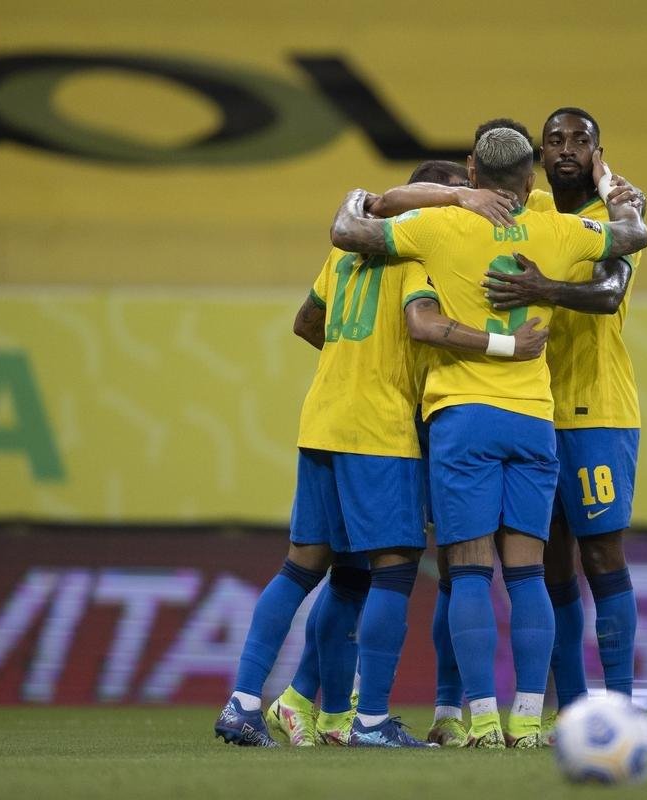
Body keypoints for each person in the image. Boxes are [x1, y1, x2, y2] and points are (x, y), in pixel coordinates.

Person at [330, 127, 647, 748]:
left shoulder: (438, 228)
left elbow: (352, 230)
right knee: (529, 575)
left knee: (469, 574)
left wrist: (361, 196)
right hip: (533, 416)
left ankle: (477, 719)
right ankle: (529, 721)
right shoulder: (555, 231)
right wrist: (613, 186)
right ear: (530, 181)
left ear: (473, 176)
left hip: (462, 415)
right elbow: (632, 235)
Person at [214, 161, 543, 748]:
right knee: (390, 573)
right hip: (379, 428)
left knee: (304, 569)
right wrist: (504, 345)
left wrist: (354, 356)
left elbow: (307, 322)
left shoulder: (343, 255)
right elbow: (422, 323)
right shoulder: (416, 258)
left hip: (322, 419)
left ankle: (243, 702)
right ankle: (369, 721)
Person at [484, 108, 647, 722]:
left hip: (598, 410)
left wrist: (542, 290)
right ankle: (575, 711)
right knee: (550, 568)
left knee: (603, 558)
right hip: (531, 414)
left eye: (581, 139)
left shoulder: (622, 218)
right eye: (554, 140)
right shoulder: (529, 220)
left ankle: (623, 705)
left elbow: (608, 295)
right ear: (537, 159)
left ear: (601, 154)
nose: (567, 148)